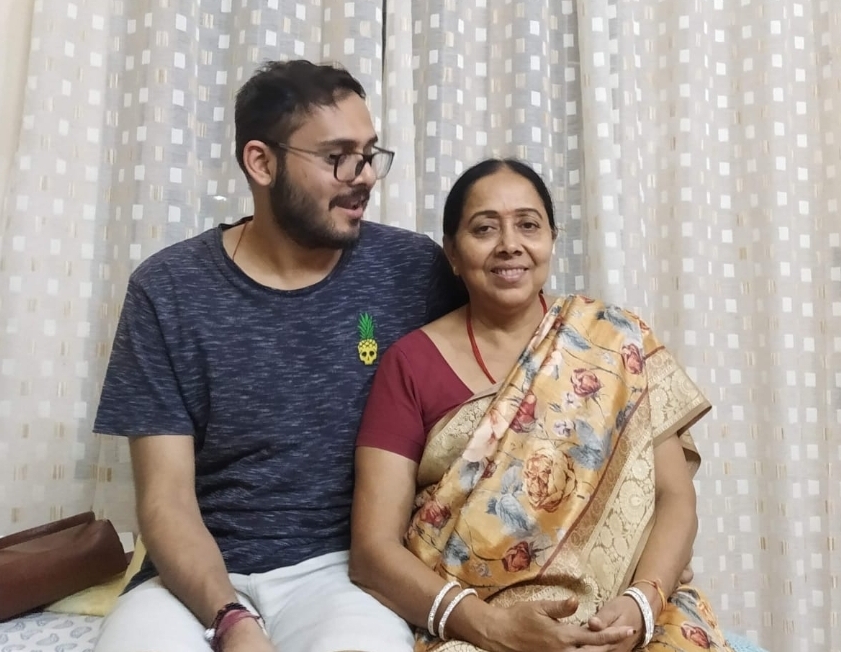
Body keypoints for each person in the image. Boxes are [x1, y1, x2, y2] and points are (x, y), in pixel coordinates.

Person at [92, 59, 463, 652]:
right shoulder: (168, 290)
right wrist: (230, 621)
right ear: (261, 162)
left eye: (370, 154)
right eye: (338, 156)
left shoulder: (411, 271)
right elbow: (165, 500)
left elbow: (511, 359)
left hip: (343, 573)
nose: (365, 176)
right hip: (195, 574)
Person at [350, 158, 734, 652]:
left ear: (552, 238)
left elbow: (674, 496)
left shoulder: (617, 339)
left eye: (528, 225)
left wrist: (643, 601)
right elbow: (373, 551)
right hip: (480, 628)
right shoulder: (410, 365)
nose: (509, 244)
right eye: (484, 228)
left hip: (629, 616)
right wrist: (491, 628)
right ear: (452, 252)